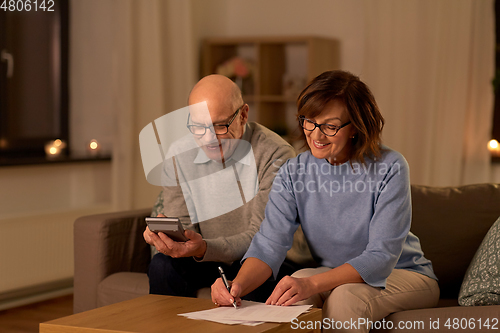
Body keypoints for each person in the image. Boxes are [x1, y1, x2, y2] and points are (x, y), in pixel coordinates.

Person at [211, 70, 439, 332]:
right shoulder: (293, 172)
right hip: (334, 273)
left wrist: (316, 283)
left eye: (330, 126)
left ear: (355, 126)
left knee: (344, 296)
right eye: (309, 121)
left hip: (404, 274)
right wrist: (236, 285)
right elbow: (268, 245)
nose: (316, 136)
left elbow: (381, 256)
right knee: (293, 285)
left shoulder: (391, 166)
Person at [143, 74, 297, 301]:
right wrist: (171, 238)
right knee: (162, 267)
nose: (209, 139)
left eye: (220, 126)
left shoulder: (276, 155)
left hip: (261, 259)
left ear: (243, 115)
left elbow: (264, 239)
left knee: (263, 279)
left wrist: (203, 248)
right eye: (199, 127)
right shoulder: (179, 154)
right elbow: (182, 225)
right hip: (206, 258)